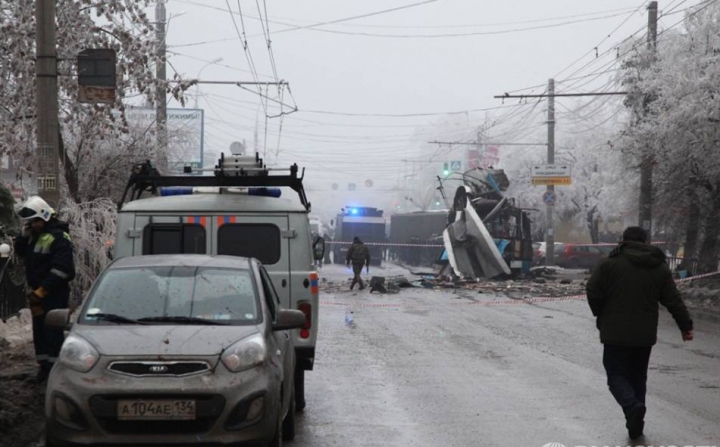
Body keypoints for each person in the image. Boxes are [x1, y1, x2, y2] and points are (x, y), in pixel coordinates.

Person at [586, 226, 693, 441]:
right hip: (644, 335)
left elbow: (592, 290)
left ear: (622, 241)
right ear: (645, 242)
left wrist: (601, 312)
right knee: (638, 379)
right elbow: (673, 299)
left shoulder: (610, 264)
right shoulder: (659, 266)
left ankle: (632, 406)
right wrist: (685, 325)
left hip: (615, 333)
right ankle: (635, 426)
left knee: (616, 376)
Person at [14, 196, 75, 381]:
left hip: (54, 294)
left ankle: (56, 372)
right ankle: (44, 368)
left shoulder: (59, 237)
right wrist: (23, 238)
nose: (32, 226)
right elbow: (21, 253)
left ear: (45, 217)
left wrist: (43, 290)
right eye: (30, 223)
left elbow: (63, 270)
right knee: (40, 331)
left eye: (34, 222)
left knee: (53, 332)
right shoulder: (35, 236)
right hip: (38, 294)